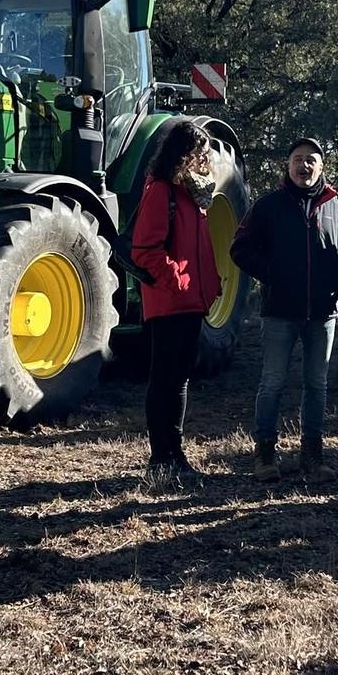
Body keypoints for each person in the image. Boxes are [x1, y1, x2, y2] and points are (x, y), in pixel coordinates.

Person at [230, 137, 338, 483]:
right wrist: (273, 275)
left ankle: (312, 457)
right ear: (287, 166)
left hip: (322, 313)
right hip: (279, 311)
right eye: (298, 159)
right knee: (272, 383)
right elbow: (240, 249)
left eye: (311, 160)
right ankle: (265, 455)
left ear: (321, 167)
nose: (304, 166)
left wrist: (335, 284)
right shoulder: (268, 206)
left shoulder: (336, 207)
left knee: (317, 385)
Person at [131, 120, 223, 486]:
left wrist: (210, 284)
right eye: (199, 152)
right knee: (165, 380)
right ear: (182, 154)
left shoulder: (194, 196)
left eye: (206, 153)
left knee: (179, 380)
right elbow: (145, 250)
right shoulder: (161, 192)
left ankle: (175, 455)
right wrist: (179, 282)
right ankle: (161, 458)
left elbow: (200, 250)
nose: (205, 159)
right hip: (171, 302)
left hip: (191, 302)